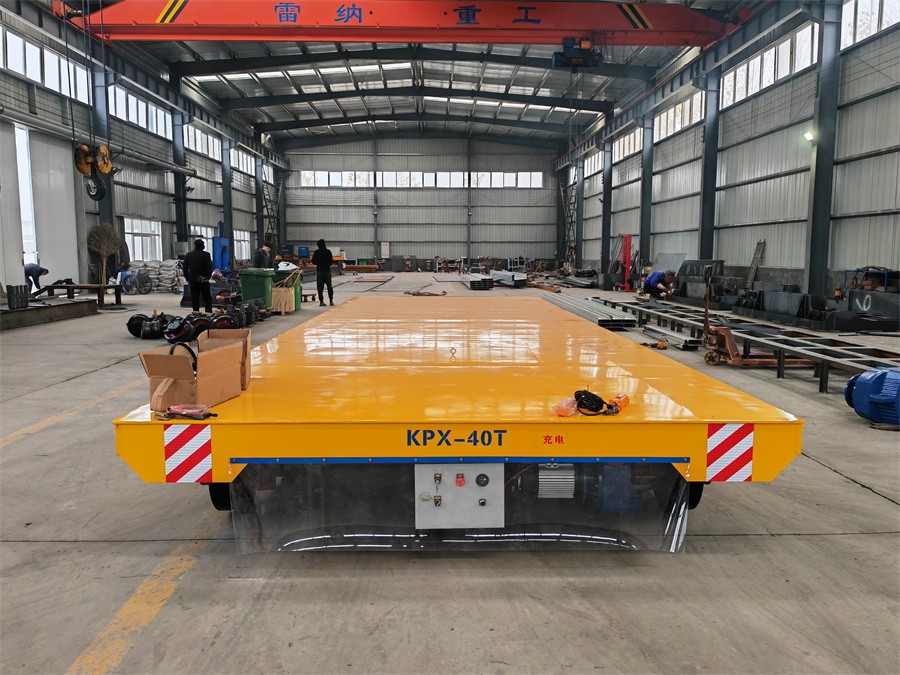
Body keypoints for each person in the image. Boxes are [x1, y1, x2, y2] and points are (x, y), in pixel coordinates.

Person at [182, 239, 213, 312]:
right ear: (203, 246)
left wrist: (188, 278)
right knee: (207, 298)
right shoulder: (206, 255)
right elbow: (209, 267)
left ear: (195, 246)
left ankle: (196, 313)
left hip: (193, 280)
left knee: (195, 298)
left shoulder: (189, 255)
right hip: (203, 280)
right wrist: (207, 278)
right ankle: (208, 314)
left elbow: (185, 268)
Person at [311, 239, 334, 307]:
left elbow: (313, 261)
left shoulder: (316, 252)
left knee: (320, 288)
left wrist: (319, 263)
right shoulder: (328, 252)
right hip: (327, 272)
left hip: (320, 272)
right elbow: (331, 262)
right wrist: (326, 264)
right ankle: (331, 301)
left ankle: (321, 302)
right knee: (329, 287)